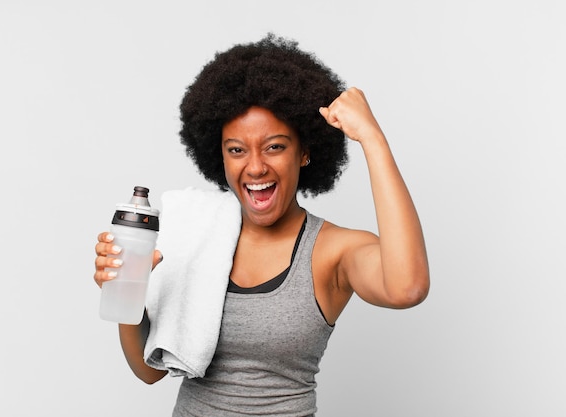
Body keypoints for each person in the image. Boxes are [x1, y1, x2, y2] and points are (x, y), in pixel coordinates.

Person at [93, 34, 429, 416]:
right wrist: (127, 291)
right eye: (236, 150)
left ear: (304, 152)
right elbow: (147, 371)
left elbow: (408, 287)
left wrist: (372, 138)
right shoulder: (195, 233)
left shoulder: (331, 250)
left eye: (274, 146)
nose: (254, 167)